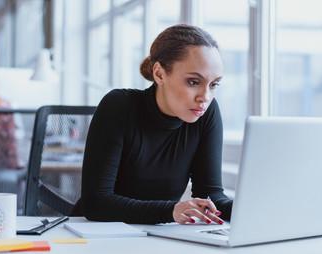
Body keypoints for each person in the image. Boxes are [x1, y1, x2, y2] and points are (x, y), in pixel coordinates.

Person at [79, 24, 233, 225]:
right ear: (159, 74)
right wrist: (171, 211)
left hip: (156, 236)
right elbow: (95, 203)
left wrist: (255, 209)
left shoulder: (207, 113)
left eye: (213, 85)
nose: (205, 97)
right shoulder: (118, 106)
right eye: (194, 82)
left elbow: (211, 196)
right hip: (96, 235)